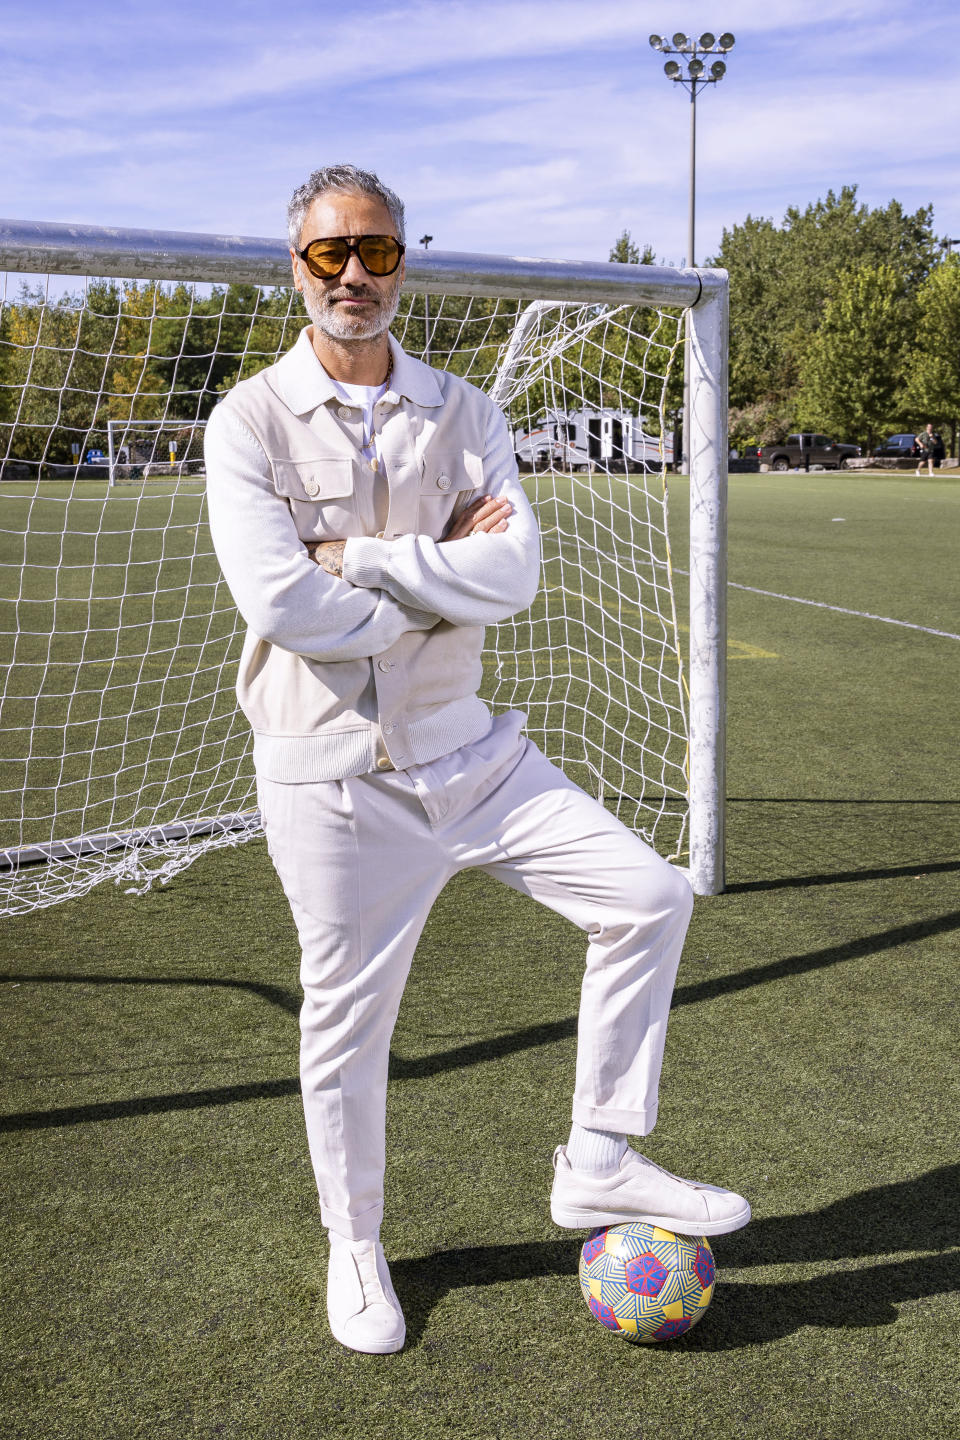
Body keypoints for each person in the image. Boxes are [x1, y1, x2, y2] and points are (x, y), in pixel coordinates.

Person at [204, 164, 750, 1356]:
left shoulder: (467, 410)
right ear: (293, 267)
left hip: (474, 755)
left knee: (649, 895)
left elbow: (516, 577)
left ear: (408, 260)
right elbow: (283, 605)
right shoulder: (245, 419)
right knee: (346, 1027)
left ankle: (598, 1160)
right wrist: (432, 570)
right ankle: (357, 1250)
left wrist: (365, 560)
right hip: (334, 775)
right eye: (331, 254)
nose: (356, 275)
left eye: (380, 252)